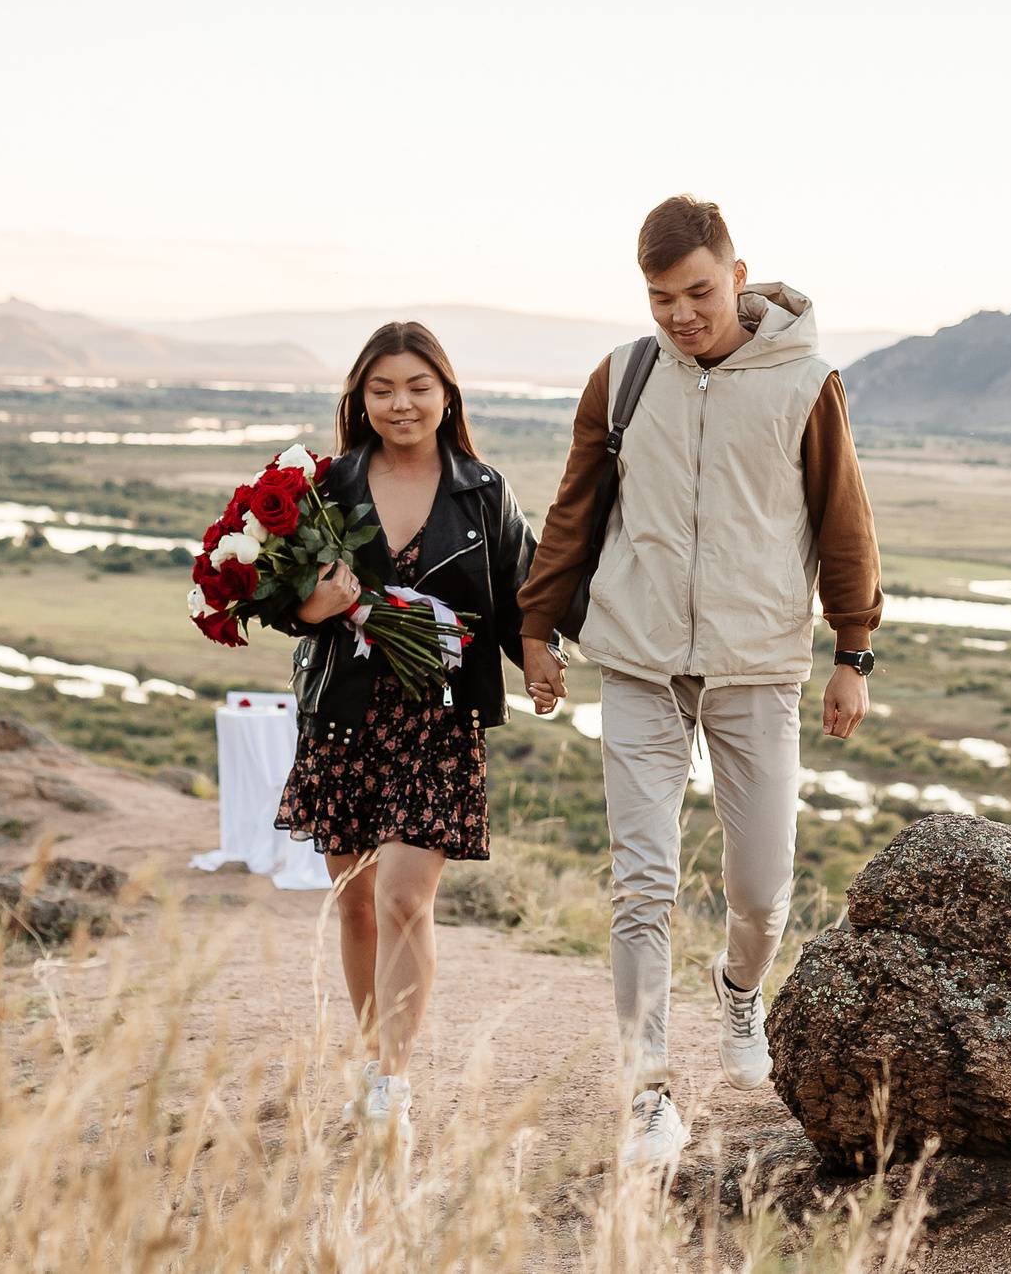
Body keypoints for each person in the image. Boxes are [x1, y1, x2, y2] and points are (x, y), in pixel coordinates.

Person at [517, 195, 882, 1168]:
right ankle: (648, 1092)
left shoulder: (804, 381)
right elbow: (575, 511)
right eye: (659, 296)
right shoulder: (626, 376)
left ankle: (737, 992)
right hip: (635, 661)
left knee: (760, 887)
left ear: (737, 273)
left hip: (756, 667)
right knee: (641, 886)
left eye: (698, 291)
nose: (680, 313)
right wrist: (537, 624)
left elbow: (842, 519)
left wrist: (852, 649)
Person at [273, 321, 553, 1135]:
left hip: (437, 721)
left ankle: (394, 1081)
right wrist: (306, 607)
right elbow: (283, 597)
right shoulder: (326, 486)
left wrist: (537, 657)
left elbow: (522, 590)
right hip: (346, 721)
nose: (402, 402)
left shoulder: (482, 490)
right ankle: (369, 1060)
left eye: (418, 386)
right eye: (384, 387)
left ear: (447, 393)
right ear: (360, 398)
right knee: (356, 900)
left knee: (403, 897)